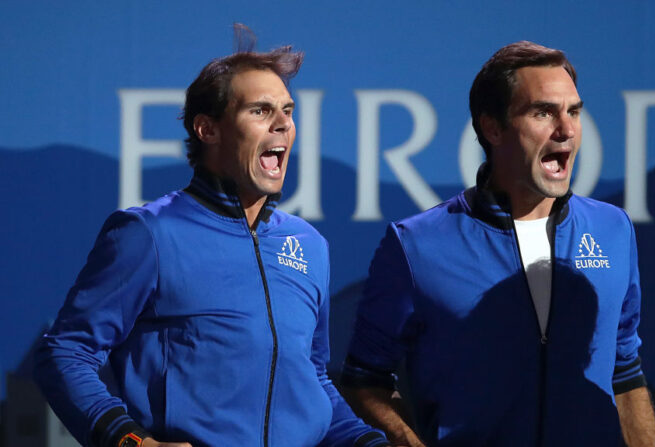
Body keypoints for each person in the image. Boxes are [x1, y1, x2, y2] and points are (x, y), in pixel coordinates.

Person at [34, 35, 390, 447]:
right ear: (208, 129)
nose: (282, 124)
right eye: (261, 110)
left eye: (287, 111)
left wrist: (366, 441)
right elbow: (65, 351)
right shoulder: (148, 234)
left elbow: (311, 380)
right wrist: (130, 441)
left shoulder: (309, 245)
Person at [341, 41, 655, 446]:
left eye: (574, 112)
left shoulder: (613, 229)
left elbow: (624, 371)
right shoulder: (416, 244)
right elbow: (363, 380)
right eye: (543, 112)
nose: (566, 130)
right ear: (492, 127)